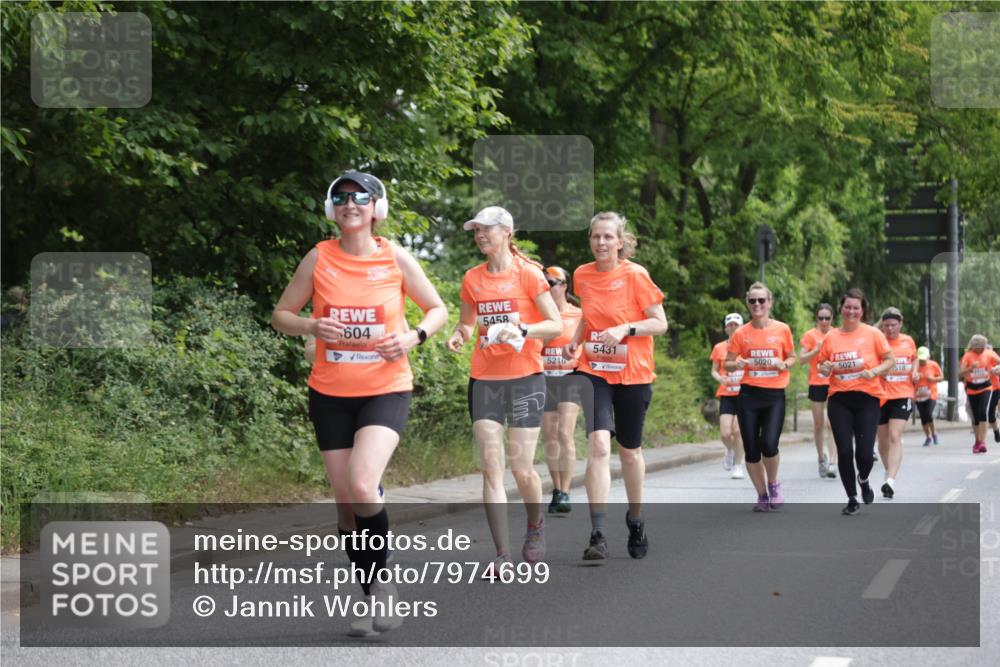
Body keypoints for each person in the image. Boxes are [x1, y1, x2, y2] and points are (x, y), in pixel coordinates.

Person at [271, 170, 447, 636]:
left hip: (385, 388)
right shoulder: (319, 257)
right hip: (329, 393)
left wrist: (412, 336)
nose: (351, 204)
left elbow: (438, 309)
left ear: (376, 209)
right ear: (333, 209)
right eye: (342, 197)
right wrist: (311, 327)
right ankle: (370, 596)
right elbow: (281, 315)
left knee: (363, 484)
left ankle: (385, 583)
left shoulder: (395, 257)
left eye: (361, 197)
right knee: (346, 505)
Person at [445, 206, 561, 575]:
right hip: (485, 380)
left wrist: (523, 330)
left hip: (526, 376)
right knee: (491, 467)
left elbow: (555, 324)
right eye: (476, 230)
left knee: (521, 466)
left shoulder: (528, 275)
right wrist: (459, 335)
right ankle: (502, 556)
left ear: (506, 232)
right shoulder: (472, 278)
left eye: (486, 230)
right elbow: (467, 323)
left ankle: (535, 523)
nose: (479, 235)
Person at [563, 211, 668, 560]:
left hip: (634, 372)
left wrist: (626, 329)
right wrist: (576, 341)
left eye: (608, 237)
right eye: (596, 236)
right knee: (597, 445)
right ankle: (597, 532)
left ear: (620, 242)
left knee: (630, 452)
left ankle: (635, 518)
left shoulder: (636, 275)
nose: (601, 242)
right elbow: (589, 318)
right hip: (594, 368)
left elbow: (660, 323)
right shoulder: (581, 275)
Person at [816, 288, 895, 515]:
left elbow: (890, 359)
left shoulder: (873, 334)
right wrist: (826, 367)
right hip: (839, 399)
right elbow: (822, 367)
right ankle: (852, 498)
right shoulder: (831, 337)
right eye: (847, 307)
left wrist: (875, 371)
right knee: (844, 451)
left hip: (867, 398)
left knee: (863, 454)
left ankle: (864, 478)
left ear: (862, 311)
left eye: (856, 307)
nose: (851, 311)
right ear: (841, 308)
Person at [725, 282, 795, 512]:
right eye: (753, 301)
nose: (757, 305)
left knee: (769, 444)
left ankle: (774, 484)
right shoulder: (741, 333)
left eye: (761, 300)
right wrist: (738, 363)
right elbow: (728, 362)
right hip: (749, 395)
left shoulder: (782, 329)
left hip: (774, 395)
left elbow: (793, 357)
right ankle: (762, 495)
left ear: (769, 303)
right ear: (747, 303)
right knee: (752, 448)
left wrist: (783, 364)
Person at [540, 266, 584, 514]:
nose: (548, 287)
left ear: (564, 286)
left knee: (564, 433)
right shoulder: (539, 316)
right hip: (546, 378)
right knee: (550, 436)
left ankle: (566, 491)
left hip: (571, 377)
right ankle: (556, 488)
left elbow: (589, 344)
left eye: (552, 283)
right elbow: (531, 347)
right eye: (544, 283)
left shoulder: (579, 315)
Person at [875, 307, 916, 499]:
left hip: (903, 393)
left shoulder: (908, 341)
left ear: (900, 324)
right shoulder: (878, 341)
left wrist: (915, 371)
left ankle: (890, 480)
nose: (890, 329)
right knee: (882, 441)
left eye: (893, 325)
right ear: (882, 325)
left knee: (894, 435)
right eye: (887, 325)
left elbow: (914, 358)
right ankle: (888, 471)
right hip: (881, 395)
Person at [799, 303, 837, 479]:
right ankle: (821, 457)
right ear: (816, 318)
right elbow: (801, 359)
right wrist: (816, 350)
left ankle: (833, 462)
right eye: (820, 318)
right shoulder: (810, 335)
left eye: (827, 318)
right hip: (816, 383)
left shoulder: (837, 335)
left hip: (835, 383)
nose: (823, 321)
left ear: (832, 319)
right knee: (818, 424)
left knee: (832, 423)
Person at [710, 313, 745, 479]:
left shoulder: (747, 346)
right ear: (726, 328)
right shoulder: (719, 348)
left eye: (736, 325)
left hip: (744, 394)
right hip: (726, 394)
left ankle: (738, 466)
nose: (733, 327)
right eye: (730, 325)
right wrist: (720, 378)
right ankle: (730, 449)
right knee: (725, 433)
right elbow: (714, 371)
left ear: (742, 327)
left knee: (737, 431)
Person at [958, 334, 1000, 453]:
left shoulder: (989, 353)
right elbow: (960, 373)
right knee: (976, 418)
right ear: (974, 346)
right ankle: (977, 441)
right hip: (972, 389)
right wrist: (970, 368)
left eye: (984, 346)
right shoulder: (968, 356)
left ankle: (982, 442)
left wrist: (997, 368)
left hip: (986, 387)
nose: (982, 349)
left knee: (983, 413)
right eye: (980, 347)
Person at [913, 346, 944, 446]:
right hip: (919, 395)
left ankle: (934, 433)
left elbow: (941, 377)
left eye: (924, 359)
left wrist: (933, 379)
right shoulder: (914, 366)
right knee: (923, 418)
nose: (922, 361)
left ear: (928, 357)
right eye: (920, 359)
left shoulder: (933, 365)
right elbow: (909, 380)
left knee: (928, 414)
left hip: (931, 394)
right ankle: (928, 437)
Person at [988, 344, 1000, 444]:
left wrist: (997, 371)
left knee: (991, 415)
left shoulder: (995, 360)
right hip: (981, 389)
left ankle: (996, 431)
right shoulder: (977, 360)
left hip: (994, 388)